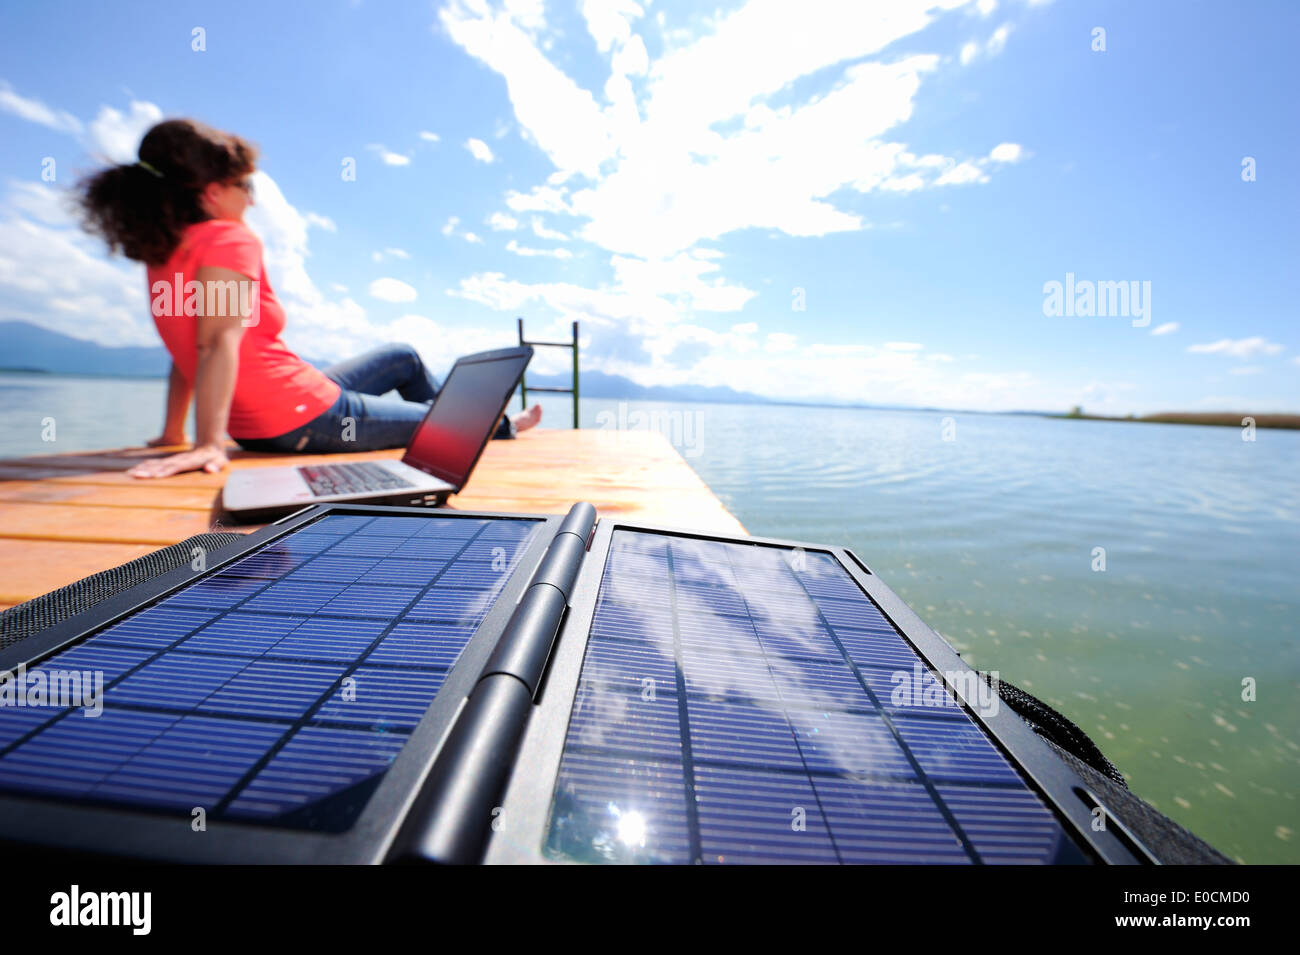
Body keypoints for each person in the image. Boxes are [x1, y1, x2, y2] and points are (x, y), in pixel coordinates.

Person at [76, 118, 541, 479]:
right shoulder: (228, 239)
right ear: (214, 193)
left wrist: (174, 432)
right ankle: (495, 427)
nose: (252, 201)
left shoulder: (165, 255)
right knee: (447, 421)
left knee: (403, 356)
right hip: (298, 419)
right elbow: (216, 343)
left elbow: (188, 353)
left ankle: (462, 423)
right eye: (246, 187)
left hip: (286, 402)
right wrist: (208, 445)